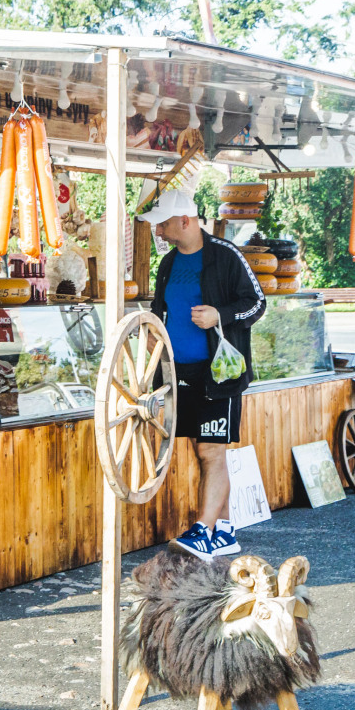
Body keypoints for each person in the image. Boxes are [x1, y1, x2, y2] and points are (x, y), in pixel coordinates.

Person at [141, 189, 266, 560]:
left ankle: (202, 530)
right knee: (203, 452)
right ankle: (224, 531)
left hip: (220, 373)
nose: (159, 231)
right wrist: (154, 333)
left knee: (211, 450)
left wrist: (220, 316)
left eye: (164, 224)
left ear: (186, 220)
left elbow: (257, 303)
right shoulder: (167, 264)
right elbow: (159, 308)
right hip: (178, 373)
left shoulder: (225, 256)